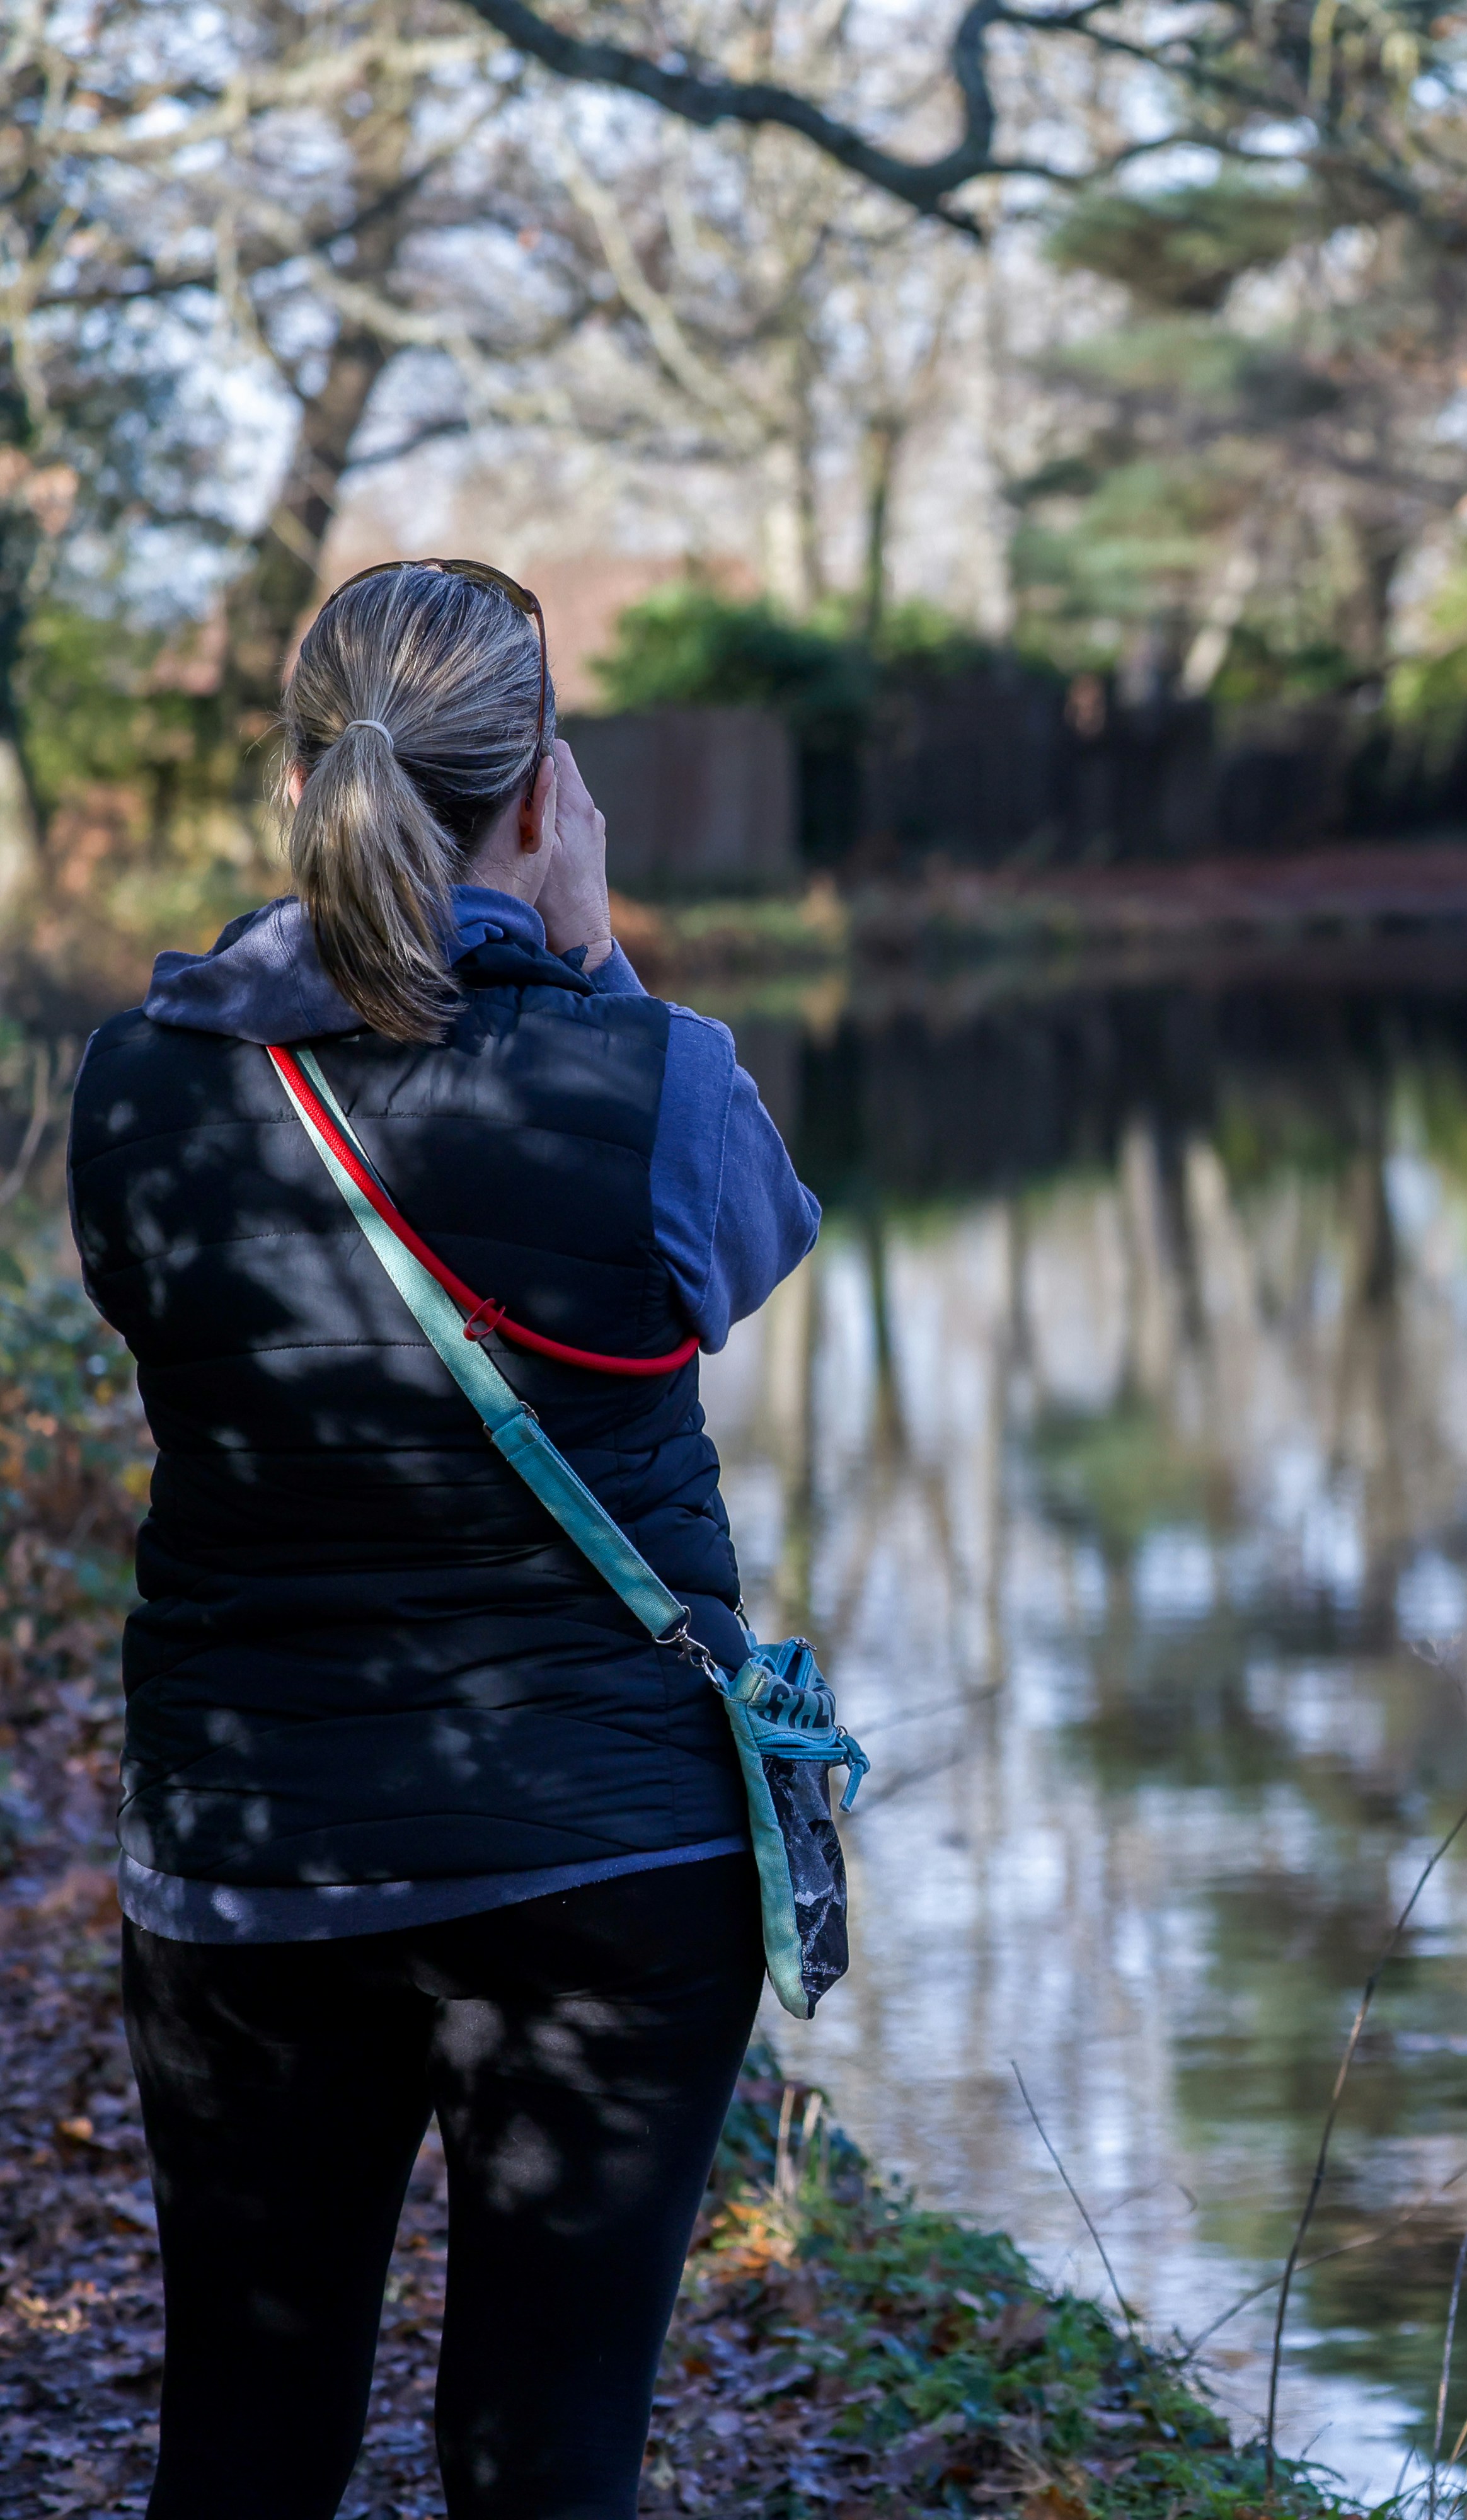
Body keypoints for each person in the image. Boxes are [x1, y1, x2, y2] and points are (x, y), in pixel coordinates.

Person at [64, 561, 822, 2520]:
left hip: (258, 1858)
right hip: (615, 1860)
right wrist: (595, 966)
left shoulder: (145, 1085)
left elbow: (160, 1320)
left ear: (303, 777)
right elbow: (740, 1257)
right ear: (545, 788)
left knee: (242, 2430)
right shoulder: (655, 1075)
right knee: (545, 2457)